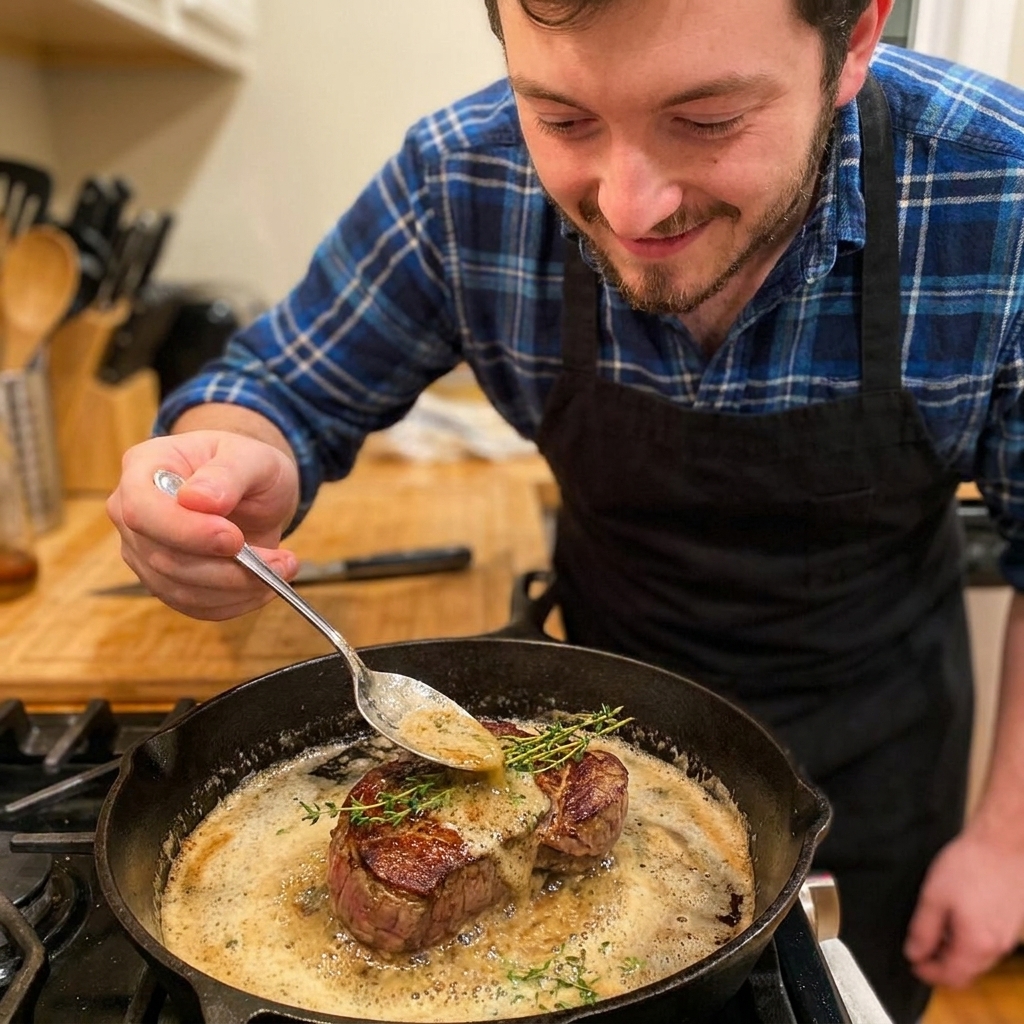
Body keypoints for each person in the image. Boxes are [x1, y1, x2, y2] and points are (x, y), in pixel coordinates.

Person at [107, 1, 1024, 1019]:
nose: (632, 206)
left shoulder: (998, 182)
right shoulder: (463, 175)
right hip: (594, 713)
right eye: (564, 119)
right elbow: (282, 388)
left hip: (880, 753)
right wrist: (228, 461)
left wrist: (1007, 841)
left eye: (709, 119)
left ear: (852, 43)